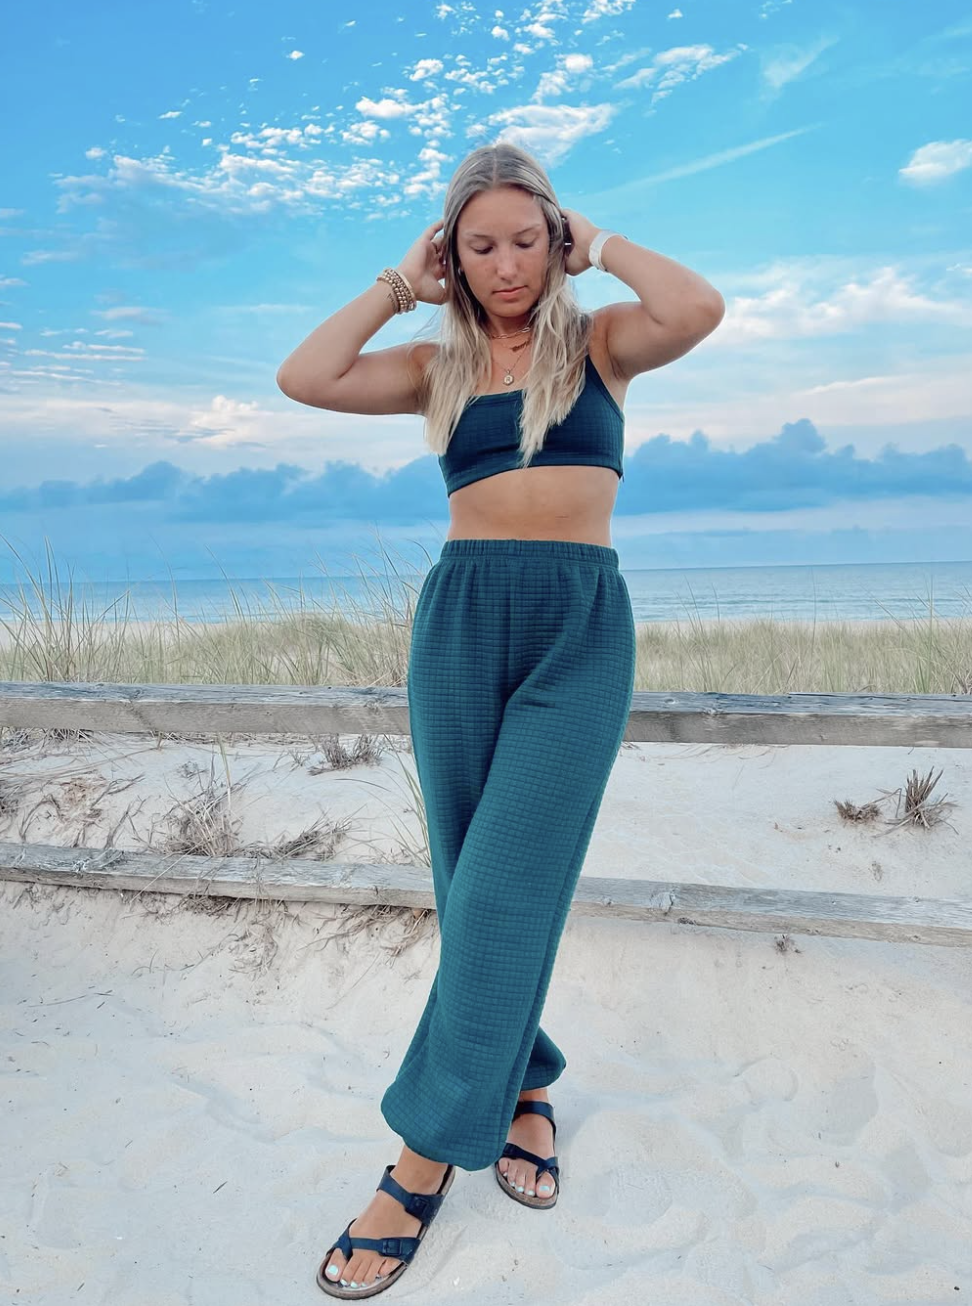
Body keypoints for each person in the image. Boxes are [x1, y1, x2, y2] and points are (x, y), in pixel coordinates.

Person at [276, 141, 725, 1299]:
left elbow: (699, 304)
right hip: (463, 620)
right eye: (482, 244)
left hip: (579, 623)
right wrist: (396, 284)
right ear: (454, 254)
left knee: (511, 880)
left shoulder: (607, 347)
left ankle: (420, 1160)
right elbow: (305, 377)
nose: (509, 262)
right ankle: (525, 1084)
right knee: (468, 879)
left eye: (528, 238)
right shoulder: (435, 365)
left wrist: (604, 247)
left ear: (555, 240)